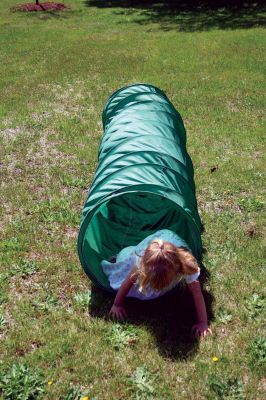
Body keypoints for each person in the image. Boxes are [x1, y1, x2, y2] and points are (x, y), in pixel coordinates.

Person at [101, 229, 212, 338]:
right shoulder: (141, 260)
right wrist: (117, 304)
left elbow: (197, 292)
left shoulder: (185, 264)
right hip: (148, 248)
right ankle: (119, 256)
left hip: (170, 242)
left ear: (177, 269)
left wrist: (203, 322)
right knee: (125, 258)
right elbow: (128, 281)